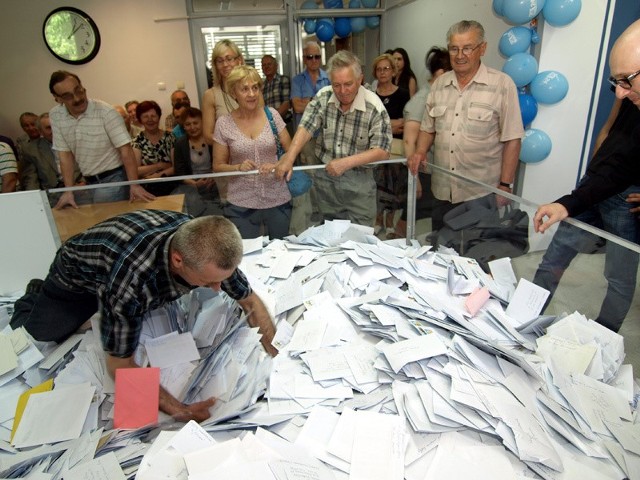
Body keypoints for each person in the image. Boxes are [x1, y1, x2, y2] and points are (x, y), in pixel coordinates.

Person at [10, 210, 277, 422]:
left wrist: (274, 347)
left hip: (117, 263)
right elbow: (119, 365)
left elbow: (248, 299)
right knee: (40, 334)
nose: (218, 289)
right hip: (76, 276)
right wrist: (178, 408)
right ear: (178, 260)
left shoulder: (205, 244)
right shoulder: (131, 280)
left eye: (222, 280)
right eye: (208, 282)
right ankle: (34, 293)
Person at [408, 20, 523, 233]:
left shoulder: (502, 85)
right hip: (442, 190)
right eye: (454, 48)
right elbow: (427, 127)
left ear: (482, 49)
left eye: (467, 48)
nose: (460, 55)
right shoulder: (439, 85)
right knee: (441, 253)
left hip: (480, 193)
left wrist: (505, 186)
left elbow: (513, 138)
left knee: (475, 255)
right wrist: (420, 151)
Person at [533, 18, 640, 233]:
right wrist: (567, 204)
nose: (619, 93)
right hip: (604, 185)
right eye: (616, 82)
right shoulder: (633, 104)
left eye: (626, 80)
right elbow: (620, 166)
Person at [274, 50, 392, 227]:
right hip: (326, 179)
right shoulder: (324, 96)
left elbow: (382, 151)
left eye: (348, 84)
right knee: (330, 233)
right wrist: (289, 158)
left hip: (359, 182)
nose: (342, 91)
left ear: (360, 80)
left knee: (360, 239)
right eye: (336, 85)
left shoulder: (374, 106)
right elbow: (306, 126)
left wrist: (345, 163)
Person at [48, 71, 154, 208]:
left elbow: (125, 150)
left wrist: (134, 184)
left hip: (113, 178)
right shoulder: (55, 115)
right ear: (58, 99)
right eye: (68, 96)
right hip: (88, 181)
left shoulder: (106, 112)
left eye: (78, 91)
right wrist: (68, 190)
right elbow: (64, 155)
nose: (77, 98)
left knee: (105, 220)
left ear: (83, 88)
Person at [213, 66, 292, 239]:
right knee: (247, 255)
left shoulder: (272, 115)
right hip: (240, 202)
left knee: (280, 253)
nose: (251, 94)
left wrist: (279, 164)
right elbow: (217, 166)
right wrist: (238, 167)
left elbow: (291, 152)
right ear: (234, 92)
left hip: (277, 197)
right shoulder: (223, 123)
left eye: (255, 88)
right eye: (245, 89)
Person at [395, 46, 451, 238]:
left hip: (436, 171)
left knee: (427, 217)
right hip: (423, 172)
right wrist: (415, 178)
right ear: (441, 73)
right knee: (409, 217)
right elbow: (409, 141)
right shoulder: (421, 100)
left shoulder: (440, 95)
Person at [289, 41, 332, 234]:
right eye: (309, 57)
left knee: (326, 173)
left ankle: (326, 212)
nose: (313, 60)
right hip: (306, 137)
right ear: (304, 58)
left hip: (327, 135)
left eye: (317, 57)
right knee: (309, 174)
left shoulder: (329, 78)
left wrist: (309, 102)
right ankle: (313, 213)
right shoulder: (298, 80)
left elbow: (332, 106)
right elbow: (297, 107)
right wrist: (318, 101)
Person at [371, 53, 410, 238]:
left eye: (386, 68)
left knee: (395, 187)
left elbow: (405, 124)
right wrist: (392, 123)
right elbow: (370, 123)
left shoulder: (402, 94)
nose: (382, 72)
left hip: (396, 149)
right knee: (378, 185)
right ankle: (378, 219)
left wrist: (384, 124)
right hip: (375, 148)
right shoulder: (371, 95)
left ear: (393, 70)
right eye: (379, 69)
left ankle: (389, 220)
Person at [173, 107, 222, 217]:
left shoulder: (212, 139)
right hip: (191, 185)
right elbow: (179, 173)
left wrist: (214, 177)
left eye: (196, 123)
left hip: (214, 182)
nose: (192, 127)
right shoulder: (180, 144)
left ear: (203, 122)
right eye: (188, 124)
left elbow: (221, 161)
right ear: (183, 126)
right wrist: (194, 184)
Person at [20, 113, 83, 192]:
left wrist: (84, 183)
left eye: (55, 126)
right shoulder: (31, 150)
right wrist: (35, 199)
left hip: (80, 189)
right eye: (49, 128)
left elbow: (91, 167)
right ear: (40, 131)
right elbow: (31, 181)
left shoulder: (78, 142)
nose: (54, 130)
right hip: (52, 195)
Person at [202, 40, 244, 145]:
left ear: (239, 60)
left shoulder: (253, 90)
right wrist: (237, 145)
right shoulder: (210, 95)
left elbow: (264, 126)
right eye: (220, 61)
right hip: (227, 159)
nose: (225, 64)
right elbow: (208, 136)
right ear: (215, 65)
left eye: (229, 59)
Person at [132, 100, 175, 196]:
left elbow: (175, 167)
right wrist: (160, 166)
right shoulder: (137, 141)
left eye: (153, 116)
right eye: (145, 117)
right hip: (147, 189)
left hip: (171, 185)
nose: (150, 120)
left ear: (159, 117)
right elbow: (136, 171)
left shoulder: (170, 137)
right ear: (140, 120)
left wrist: (157, 176)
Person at [261, 55, 292, 130]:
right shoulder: (262, 86)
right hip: (267, 127)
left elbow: (286, 104)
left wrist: (271, 121)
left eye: (269, 64)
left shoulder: (284, 80)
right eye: (264, 65)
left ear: (276, 66)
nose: (266, 67)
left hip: (284, 124)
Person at [16, 112, 41, 190]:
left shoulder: (48, 137)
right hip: (30, 176)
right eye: (26, 126)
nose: (30, 128)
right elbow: (24, 166)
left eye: (33, 124)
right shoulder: (21, 141)